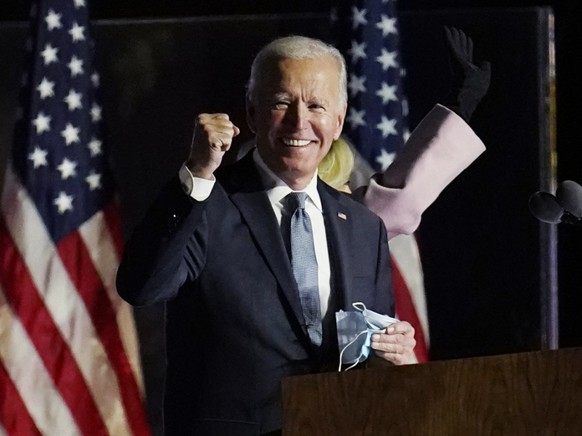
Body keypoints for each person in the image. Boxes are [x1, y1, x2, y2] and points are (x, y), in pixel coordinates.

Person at [117, 35, 416, 436]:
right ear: (252, 112)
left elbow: (366, 350)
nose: (299, 122)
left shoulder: (363, 226)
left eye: (316, 106)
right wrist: (198, 174)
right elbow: (141, 286)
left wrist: (391, 351)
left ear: (339, 120)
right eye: (281, 103)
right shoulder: (207, 203)